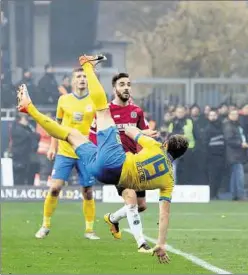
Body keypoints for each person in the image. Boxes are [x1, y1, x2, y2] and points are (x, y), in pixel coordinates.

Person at [17, 54, 189, 263]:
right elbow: (164, 215)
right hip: (107, 175)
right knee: (73, 135)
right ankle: (132, 234)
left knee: (100, 112)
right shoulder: (170, 180)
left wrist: (144, 133)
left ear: (167, 144)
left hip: (114, 159)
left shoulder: (155, 146)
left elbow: (130, 131)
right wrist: (161, 243)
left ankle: (85, 67)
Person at [89, 72, 152, 252]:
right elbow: (93, 136)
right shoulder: (105, 112)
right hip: (117, 163)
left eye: (128, 84)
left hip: (135, 162)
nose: (126, 87)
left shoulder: (137, 112)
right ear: (114, 88)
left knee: (141, 206)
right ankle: (142, 243)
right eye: (122, 84)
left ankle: (113, 218)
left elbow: (145, 134)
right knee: (131, 200)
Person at [35, 68, 99, 240]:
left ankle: (89, 230)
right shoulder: (64, 100)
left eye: (85, 76)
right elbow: (57, 126)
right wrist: (52, 146)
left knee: (87, 190)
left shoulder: (94, 100)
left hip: (85, 152)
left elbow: (100, 126)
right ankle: (45, 225)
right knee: (55, 188)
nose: (82, 79)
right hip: (65, 151)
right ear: (72, 81)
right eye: (79, 76)